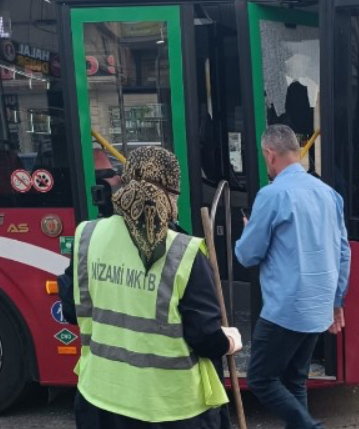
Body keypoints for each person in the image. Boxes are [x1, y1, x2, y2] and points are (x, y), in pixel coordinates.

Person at [57, 146, 242, 429]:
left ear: (124, 182)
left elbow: (71, 310)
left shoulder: (87, 236)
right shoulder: (184, 252)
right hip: (170, 409)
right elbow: (204, 338)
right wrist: (228, 340)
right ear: (172, 193)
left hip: (100, 400)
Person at [235, 125, 351, 429]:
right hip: (318, 306)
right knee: (295, 380)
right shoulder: (329, 194)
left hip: (284, 310)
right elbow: (344, 253)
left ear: (270, 155)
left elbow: (248, 255)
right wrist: (336, 301)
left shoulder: (272, 195)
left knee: (261, 379)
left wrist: (249, 228)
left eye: (265, 158)